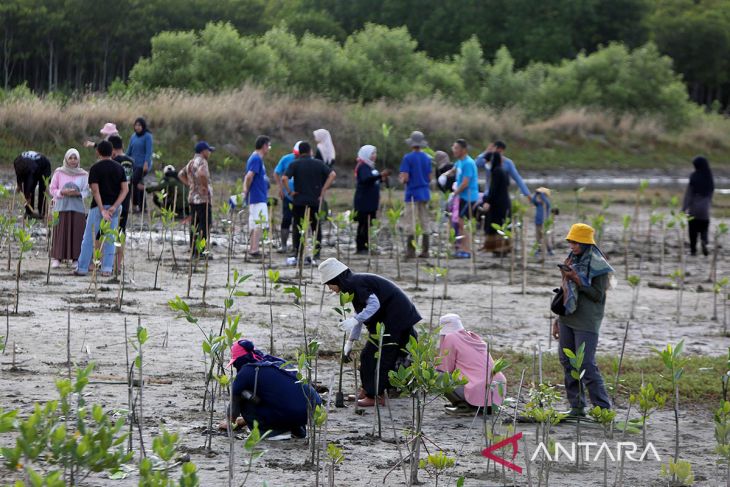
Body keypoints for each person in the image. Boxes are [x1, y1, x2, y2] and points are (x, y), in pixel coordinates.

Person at [319, 258, 422, 407]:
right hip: (393, 318)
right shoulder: (355, 285)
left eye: (329, 284)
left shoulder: (357, 283)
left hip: (395, 319)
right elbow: (361, 315)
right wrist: (350, 341)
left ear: (336, 279)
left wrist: (354, 320)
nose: (329, 288)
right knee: (368, 355)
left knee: (380, 356)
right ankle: (368, 389)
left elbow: (374, 304)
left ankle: (376, 395)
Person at [551, 223, 614, 417]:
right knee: (567, 361)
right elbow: (566, 291)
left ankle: (603, 409)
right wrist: (558, 319)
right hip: (567, 318)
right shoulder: (571, 259)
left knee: (585, 363)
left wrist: (577, 279)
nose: (572, 245)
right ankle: (577, 407)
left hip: (587, 321)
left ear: (586, 242)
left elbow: (597, 295)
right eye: (570, 241)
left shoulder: (599, 266)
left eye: (576, 242)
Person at [223, 339, 321, 440]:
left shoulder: (246, 371)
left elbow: (234, 402)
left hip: (288, 412)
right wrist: (243, 421)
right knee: (283, 397)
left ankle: (271, 433)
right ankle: (297, 431)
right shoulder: (276, 362)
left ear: (239, 360)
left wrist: (230, 422)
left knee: (243, 394)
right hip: (314, 408)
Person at [74, 141, 128, 277]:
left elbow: (95, 191)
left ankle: (82, 268)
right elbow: (125, 190)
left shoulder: (95, 168)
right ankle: (107, 269)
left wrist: (102, 209)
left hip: (98, 208)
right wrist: (115, 206)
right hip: (114, 209)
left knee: (88, 238)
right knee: (110, 238)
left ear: (98, 152)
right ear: (112, 152)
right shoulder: (119, 168)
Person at [436, 314, 507, 412]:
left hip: (478, 388)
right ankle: (485, 406)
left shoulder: (450, 338)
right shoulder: (473, 336)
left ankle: (464, 406)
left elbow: (444, 368)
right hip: (498, 386)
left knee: (438, 375)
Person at [282, 141, 336, 264]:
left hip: (299, 201)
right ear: (310, 151)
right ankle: (316, 254)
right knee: (316, 227)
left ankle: (298, 253)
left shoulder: (295, 164)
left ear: (299, 152)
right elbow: (332, 174)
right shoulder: (318, 163)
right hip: (314, 200)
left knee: (298, 227)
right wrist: (323, 190)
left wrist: (290, 192)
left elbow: (284, 178)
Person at [49, 149, 89, 267]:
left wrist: (78, 194)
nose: (72, 161)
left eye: (75, 158)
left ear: (78, 160)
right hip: (61, 206)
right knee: (60, 232)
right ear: (66, 159)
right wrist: (62, 192)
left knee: (77, 232)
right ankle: (57, 258)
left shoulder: (84, 174)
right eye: (70, 158)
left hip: (77, 208)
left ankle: (76, 258)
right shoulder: (59, 172)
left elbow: (87, 191)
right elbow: (52, 189)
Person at [399, 131, 432, 258]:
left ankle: (411, 251)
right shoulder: (427, 158)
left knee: (410, 222)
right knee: (425, 221)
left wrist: (401, 180)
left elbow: (405, 177)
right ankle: (425, 250)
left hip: (412, 193)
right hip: (424, 192)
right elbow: (429, 177)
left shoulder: (408, 158)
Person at [178, 142, 214, 255]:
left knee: (195, 225)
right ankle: (200, 250)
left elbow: (180, 174)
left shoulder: (191, 162)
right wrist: (204, 186)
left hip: (193, 198)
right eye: (208, 151)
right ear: (203, 151)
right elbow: (202, 173)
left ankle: (193, 249)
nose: (209, 153)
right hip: (202, 199)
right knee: (205, 225)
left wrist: (190, 184)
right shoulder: (202, 161)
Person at [445, 139, 479, 258]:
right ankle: (461, 247)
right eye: (453, 148)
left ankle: (467, 250)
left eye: (456, 148)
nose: (454, 150)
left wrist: (455, 193)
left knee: (462, 223)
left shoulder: (468, 163)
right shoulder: (459, 162)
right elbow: (454, 170)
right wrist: (445, 175)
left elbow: (465, 182)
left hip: (469, 197)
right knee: (458, 222)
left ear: (463, 150)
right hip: (461, 196)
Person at [353, 145, 390, 254]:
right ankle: (361, 248)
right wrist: (380, 176)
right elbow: (365, 179)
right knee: (363, 224)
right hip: (364, 201)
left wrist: (382, 178)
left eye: (375, 153)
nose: (374, 156)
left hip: (371, 202)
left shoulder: (370, 167)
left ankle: (366, 245)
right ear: (366, 154)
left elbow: (373, 180)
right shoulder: (362, 166)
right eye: (372, 153)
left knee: (369, 225)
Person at [243, 136, 271, 259]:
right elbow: (249, 176)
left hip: (258, 196)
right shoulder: (256, 159)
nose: (269, 148)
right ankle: (254, 249)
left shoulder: (256, 158)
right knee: (259, 222)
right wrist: (246, 190)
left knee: (255, 223)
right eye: (268, 145)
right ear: (264, 145)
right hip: (257, 196)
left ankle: (253, 248)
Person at [682, 156, 714, 256]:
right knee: (704, 229)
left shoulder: (694, 176)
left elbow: (688, 195)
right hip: (705, 210)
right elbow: (711, 193)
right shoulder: (709, 177)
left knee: (693, 231)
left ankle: (693, 250)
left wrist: (683, 209)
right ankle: (704, 242)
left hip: (694, 209)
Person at [273, 142, 302, 254]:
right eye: (296, 155)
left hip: (301, 196)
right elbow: (276, 173)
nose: (297, 157)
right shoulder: (286, 159)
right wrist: (281, 188)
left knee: (299, 222)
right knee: (286, 219)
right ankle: (284, 245)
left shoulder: (307, 160)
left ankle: (297, 247)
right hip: (288, 195)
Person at [480, 152, 511, 253]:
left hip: (497, 204)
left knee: (495, 225)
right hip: (504, 203)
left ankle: (497, 248)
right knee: (502, 224)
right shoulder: (502, 170)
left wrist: (487, 201)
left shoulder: (496, 171)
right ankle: (502, 247)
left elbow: (493, 189)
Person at [13, 151, 52, 218]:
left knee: (42, 189)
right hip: (34, 165)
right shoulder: (17, 162)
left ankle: (42, 212)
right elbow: (18, 174)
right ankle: (29, 212)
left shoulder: (31, 168)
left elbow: (30, 183)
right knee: (26, 189)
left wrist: (28, 196)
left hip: (44, 166)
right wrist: (19, 184)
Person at [126, 117, 153, 213]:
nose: (137, 127)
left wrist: (146, 163)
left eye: (139, 125)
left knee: (134, 181)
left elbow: (149, 151)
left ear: (143, 126)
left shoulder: (147, 136)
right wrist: (124, 158)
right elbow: (129, 150)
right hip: (134, 164)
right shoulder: (133, 136)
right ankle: (143, 207)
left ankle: (135, 205)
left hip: (143, 164)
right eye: (136, 125)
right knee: (138, 184)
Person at [109, 135, 134, 234]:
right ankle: (121, 249)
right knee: (122, 228)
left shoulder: (114, 161)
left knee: (111, 227)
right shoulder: (131, 161)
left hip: (115, 197)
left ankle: (110, 249)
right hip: (127, 196)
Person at [532, 187, 554, 256]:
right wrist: (536, 194)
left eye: (541, 197)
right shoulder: (538, 204)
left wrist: (542, 194)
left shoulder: (547, 204)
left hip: (543, 223)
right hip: (537, 223)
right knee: (538, 238)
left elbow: (545, 200)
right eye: (539, 197)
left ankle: (549, 250)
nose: (540, 198)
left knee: (545, 237)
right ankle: (538, 250)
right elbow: (533, 200)